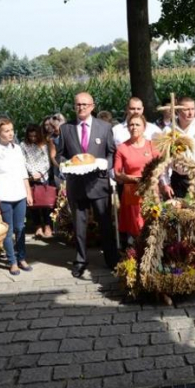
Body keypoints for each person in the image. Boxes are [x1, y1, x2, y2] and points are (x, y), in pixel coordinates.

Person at [58, 93, 119, 276]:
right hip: (76, 185)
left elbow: (111, 153)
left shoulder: (105, 127)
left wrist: (105, 164)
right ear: (74, 107)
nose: (81, 107)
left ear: (92, 106)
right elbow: (60, 154)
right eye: (78, 105)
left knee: (105, 224)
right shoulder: (65, 128)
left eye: (85, 104)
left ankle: (111, 259)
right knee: (79, 226)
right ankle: (80, 260)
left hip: (98, 184)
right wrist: (63, 164)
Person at [0, 118, 33, 276]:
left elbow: (23, 172)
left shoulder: (17, 149)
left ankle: (22, 257)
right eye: (6, 131)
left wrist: (28, 191)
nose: (10, 133)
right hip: (4, 196)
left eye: (11, 130)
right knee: (8, 230)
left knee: (20, 228)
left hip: (19, 194)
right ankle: (12, 260)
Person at [114, 114, 159, 244]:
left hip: (150, 190)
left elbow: (160, 166)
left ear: (144, 127)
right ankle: (133, 258)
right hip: (131, 191)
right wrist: (134, 178)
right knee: (135, 228)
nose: (134, 127)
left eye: (137, 124)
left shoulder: (152, 146)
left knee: (152, 225)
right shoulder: (122, 148)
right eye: (131, 124)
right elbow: (117, 173)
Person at [21, 124, 53, 239]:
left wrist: (41, 173)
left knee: (46, 203)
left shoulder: (44, 145)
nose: (33, 138)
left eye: (35, 136)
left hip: (43, 177)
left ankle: (48, 225)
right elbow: (24, 161)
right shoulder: (23, 145)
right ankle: (38, 226)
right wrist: (32, 173)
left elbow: (47, 161)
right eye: (31, 136)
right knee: (33, 203)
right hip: (31, 177)